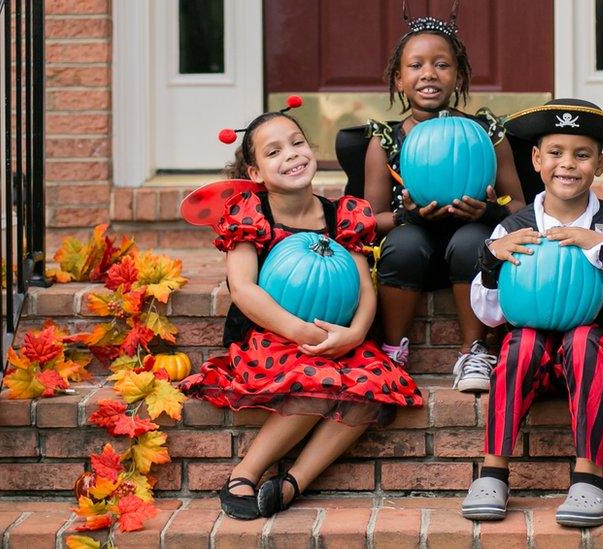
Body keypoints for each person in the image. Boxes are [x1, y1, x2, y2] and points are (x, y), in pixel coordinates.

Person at [178, 100, 422, 521]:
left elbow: (365, 286)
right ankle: (246, 472)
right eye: (273, 152)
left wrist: (355, 333)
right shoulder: (250, 216)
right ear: (254, 173)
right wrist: (301, 333)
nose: (291, 154)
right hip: (270, 334)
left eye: (297, 143)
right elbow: (244, 290)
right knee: (319, 380)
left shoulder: (341, 214)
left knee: (375, 385)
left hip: (337, 334)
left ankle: (293, 483)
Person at [461, 98, 603, 527]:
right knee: (518, 340)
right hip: (537, 361)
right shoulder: (512, 228)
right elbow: (490, 315)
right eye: (556, 153)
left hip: (598, 353)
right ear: (536, 160)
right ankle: (493, 472)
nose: (568, 165)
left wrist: (600, 250)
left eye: (582, 155)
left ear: (599, 164)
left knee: (582, 338)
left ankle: (589, 478)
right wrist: (492, 262)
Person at [361, 1, 527, 393]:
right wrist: (408, 217)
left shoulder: (485, 132)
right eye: (416, 66)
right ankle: (392, 352)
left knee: (473, 240)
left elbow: (519, 207)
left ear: (459, 76)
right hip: (410, 255)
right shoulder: (386, 140)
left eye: (442, 64)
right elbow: (370, 219)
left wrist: (488, 211)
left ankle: (474, 351)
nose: (429, 74)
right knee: (403, 243)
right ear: (399, 80)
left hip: (470, 250)